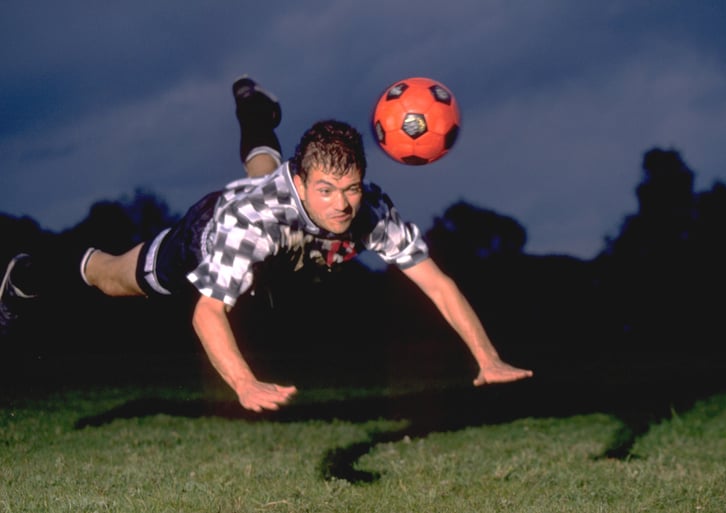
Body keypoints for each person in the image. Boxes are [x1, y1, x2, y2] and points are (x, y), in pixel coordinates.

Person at [0, 76, 533, 413]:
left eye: (350, 189)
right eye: (326, 191)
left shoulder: (368, 208)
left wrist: (488, 358)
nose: (342, 206)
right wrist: (244, 384)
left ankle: (254, 106)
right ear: (301, 183)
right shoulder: (250, 222)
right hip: (206, 233)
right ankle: (26, 276)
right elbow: (207, 314)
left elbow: (437, 285)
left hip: (279, 230)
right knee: (114, 279)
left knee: (262, 172)